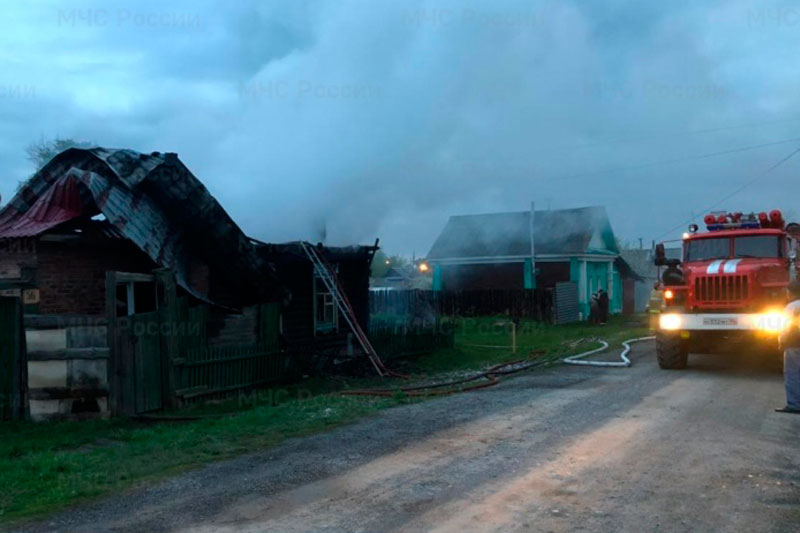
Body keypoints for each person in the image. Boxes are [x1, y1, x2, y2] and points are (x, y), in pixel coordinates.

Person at [777, 280, 800, 414]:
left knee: (792, 373)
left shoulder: (791, 307)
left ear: (790, 293)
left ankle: (794, 404)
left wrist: (781, 341)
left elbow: (785, 327)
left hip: (794, 343)